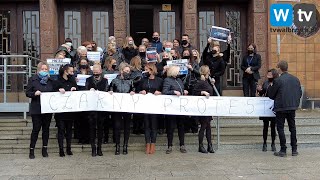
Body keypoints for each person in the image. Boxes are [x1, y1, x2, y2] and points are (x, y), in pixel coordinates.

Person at [268, 60, 302, 157]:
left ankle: (283, 150)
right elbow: (299, 93)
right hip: (292, 107)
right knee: (292, 128)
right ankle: (294, 149)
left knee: (280, 128)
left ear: (279, 68)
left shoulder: (278, 80)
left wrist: (271, 86)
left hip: (281, 107)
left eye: (277, 67)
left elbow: (271, 95)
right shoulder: (295, 79)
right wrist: (295, 102)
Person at [26, 62, 54, 159]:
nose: (44, 71)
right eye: (42, 69)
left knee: (46, 129)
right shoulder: (33, 79)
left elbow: (55, 92)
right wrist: (34, 93)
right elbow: (28, 93)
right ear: (38, 70)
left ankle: (44, 149)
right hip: (37, 108)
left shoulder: (50, 81)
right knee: (36, 129)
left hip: (47, 109)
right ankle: (31, 149)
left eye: (46, 69)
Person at [109, 63, 135, 155]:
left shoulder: (130, 81)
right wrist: (110, 91)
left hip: (127, 107)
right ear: (121, 71)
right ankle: (117, 146)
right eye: (126, 71)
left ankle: (125, 145)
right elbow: (110, 89)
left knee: (127, 127)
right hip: (117, 107)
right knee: (117, 126)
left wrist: (133, 92)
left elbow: (133, 89)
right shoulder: (114, 81)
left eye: (129, 71)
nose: (128, 73)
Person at [162, 65, 188, 154]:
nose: (179, 73)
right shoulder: (167, 80)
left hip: (180, 107)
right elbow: (164, 91)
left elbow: (181, 89)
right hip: (171, 107)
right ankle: (170, 145)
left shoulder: (179, 80)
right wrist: (173, 92)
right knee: (171, 127)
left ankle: (182, 144)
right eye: (178, 71)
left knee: (181, 126)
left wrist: (184, 91)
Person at [138, 63, 163, 154]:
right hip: (145, 105)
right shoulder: (143, 80)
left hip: (155, 105)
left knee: (154, 125)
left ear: (152, 70)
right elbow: (138, 89)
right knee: (147, 125)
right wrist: (141, 91)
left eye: (147, 69)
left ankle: (153, 143)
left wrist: (160, 93)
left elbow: (164, 90)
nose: (145, 71)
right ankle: (147, 143)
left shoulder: (159, 80)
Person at [54, 64, 77, 157]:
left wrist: (74, 88)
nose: (72, 73)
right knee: (61, 130)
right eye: (71, 71)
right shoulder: (58, 81)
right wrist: (58, 90)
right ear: (65, 71)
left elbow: (77, 90)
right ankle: (61, 149)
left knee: (69, 130)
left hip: (70, 110)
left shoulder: (72, 80)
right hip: (60, 111)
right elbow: (52, 92)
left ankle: (68, 148)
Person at [85, 64, 109, 156]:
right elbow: (85, 91)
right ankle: (93, 148)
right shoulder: (88, 80)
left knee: (100, 129)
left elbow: (106, 91)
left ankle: (99, 147)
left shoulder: (105, 80)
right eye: (94, 72)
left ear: (100, 71)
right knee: (91, 129)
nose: (95, 73)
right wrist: (89, 90)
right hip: (91, 109)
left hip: (101, 109)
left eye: (97, 72)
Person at [193, 65, 215, 153]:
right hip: (202, 108)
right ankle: (201, 145)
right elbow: (194, 92)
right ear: (206, 71)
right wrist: (202, 92)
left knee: (208, 127)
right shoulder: (200, 82)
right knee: (204, 126)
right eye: (208, 70)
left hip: (208, 107)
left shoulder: (207, 81)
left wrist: (213, 84)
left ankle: (210, 145)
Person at [257, 69, 279, 152]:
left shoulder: (277, 83)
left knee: (273, 126)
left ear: (274, 75)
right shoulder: (265, 83)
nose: (268, 75)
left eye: (270, 74)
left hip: (274, 108)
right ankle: (264, 143)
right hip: (265, 108)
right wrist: (259, 91)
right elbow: (262, 93)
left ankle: (273, 143)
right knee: (265, 126)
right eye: (268, 74)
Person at [75, 58, 92, 144]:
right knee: (79, 119)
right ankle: (80, 137)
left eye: (85, 62)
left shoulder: (90, 73)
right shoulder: (76, 72)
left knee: (88, 119)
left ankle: (88, 138)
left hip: (88, 97)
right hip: (78, 97)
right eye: (82, 62)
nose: (84, 64)